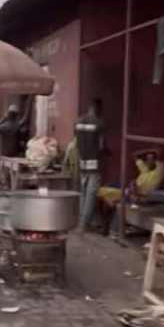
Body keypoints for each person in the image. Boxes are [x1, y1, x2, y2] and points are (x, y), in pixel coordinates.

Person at [75, 98, 105, 232]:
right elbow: (101, 145)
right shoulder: (99, 123)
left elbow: (77, 141)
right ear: (97, 108)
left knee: (82, 193)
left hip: (82, 161)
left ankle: (81, 222)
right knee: (91, 194)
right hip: (94, 162)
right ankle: (83, 225)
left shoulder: (78, 122)